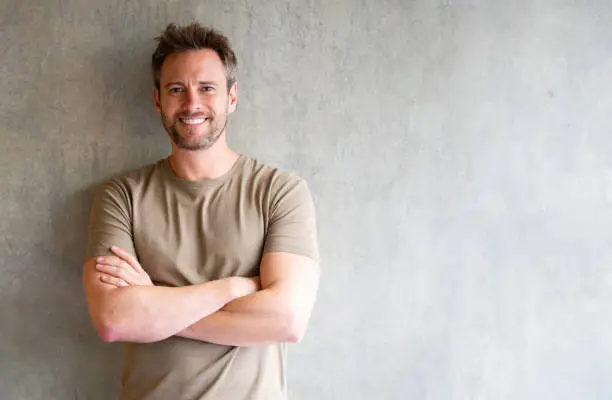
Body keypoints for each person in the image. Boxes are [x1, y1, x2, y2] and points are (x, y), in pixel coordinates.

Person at [82, 22, 320, 400]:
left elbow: (287, 320)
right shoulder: (121, 196)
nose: (192, 103)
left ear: (232, 97)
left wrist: (155, 306)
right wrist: (232, 288)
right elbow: (114, 319)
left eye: (207, 88)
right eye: (177, 89)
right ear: (159, 100)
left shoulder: (279, 191)